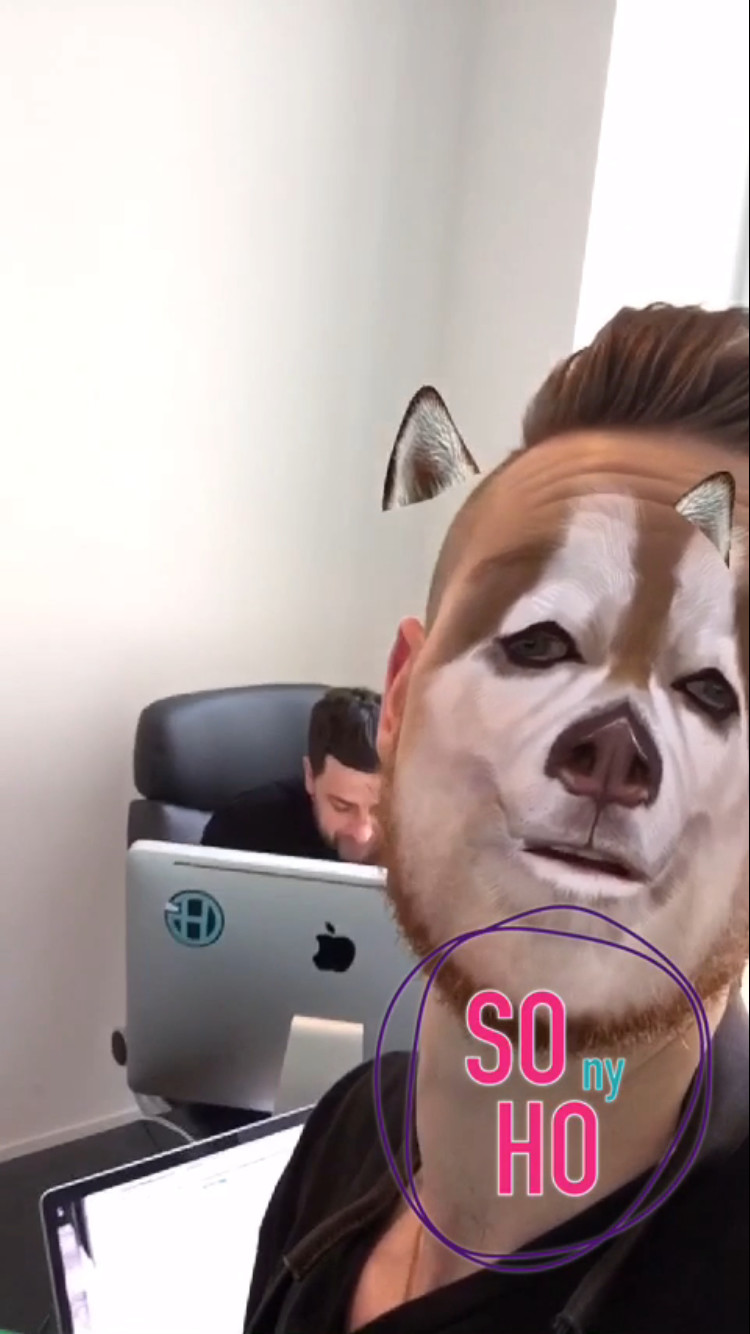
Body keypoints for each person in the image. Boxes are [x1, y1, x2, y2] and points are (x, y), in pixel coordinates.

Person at [243, 304, 749, 1334]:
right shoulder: (347, 1130)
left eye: (711, 691)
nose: (615, 749)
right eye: (538, 643)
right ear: (399, 701)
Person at [201, 686, 382, 863]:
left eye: (381, 810)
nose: (363, 835)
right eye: (342, 807)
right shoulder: (240, 829)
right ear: (310, 776)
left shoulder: (401, 840)